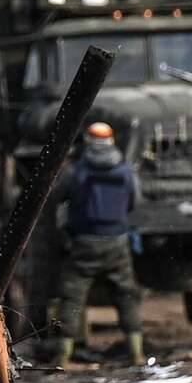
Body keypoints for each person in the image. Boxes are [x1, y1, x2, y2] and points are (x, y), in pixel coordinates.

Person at [55, 121, 145, 367]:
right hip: (117, 240)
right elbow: (135, 201)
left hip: (84, 241)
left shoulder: (76, 170)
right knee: (126, 295)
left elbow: (57, 195)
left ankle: (63, 357)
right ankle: (136, 352)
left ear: (88, 141)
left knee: (73, 297)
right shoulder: (125, 170)